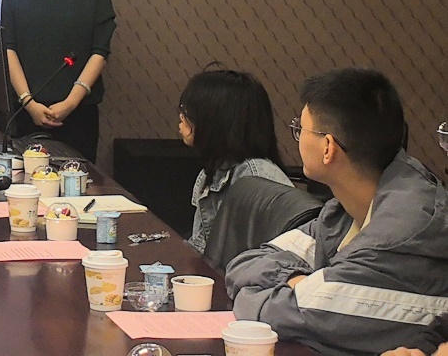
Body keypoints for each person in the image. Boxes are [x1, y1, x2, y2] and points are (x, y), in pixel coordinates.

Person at [226, 68, 448, 356]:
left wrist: (299, 291)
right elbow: (244, 264)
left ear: (328, 148)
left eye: (300, 129)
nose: (297, 137)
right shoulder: (346, 208)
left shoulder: (401, 232)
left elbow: (270, 312)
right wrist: (297, 281)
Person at [0, 0, 115, 160]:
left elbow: (100, 51)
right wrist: (29, 102)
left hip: (79, 114)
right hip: (25, 113)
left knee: (78, 182)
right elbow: (8, 47)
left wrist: (71, 103)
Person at [177, 67, 292, 254]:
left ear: (215, 117)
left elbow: (269, 259)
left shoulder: (256, 177)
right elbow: (200, 246)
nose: (181, 116)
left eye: (188, 110)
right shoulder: (215, 170)